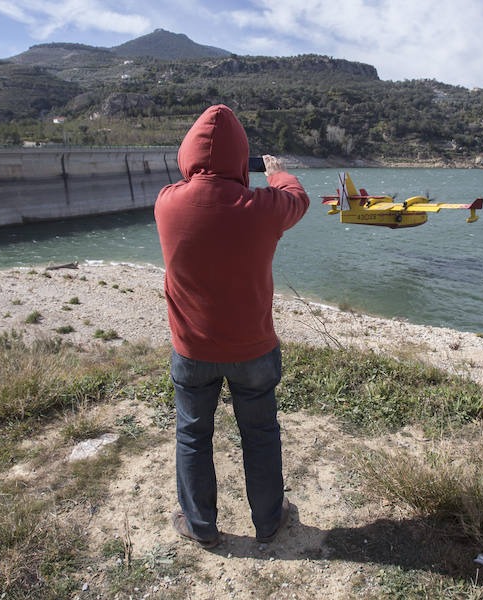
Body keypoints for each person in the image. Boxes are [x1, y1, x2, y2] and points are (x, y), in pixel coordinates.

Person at [154, 104, 310, 549]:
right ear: (242, 159)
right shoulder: (263, 207)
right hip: (253, 350)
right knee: (260, 434)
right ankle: (268, 521)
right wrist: (277, 173)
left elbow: (196, 187)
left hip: (191, 350)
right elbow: (298, 199)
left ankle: (200, 527)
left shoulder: (167, 203)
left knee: (192, 434)